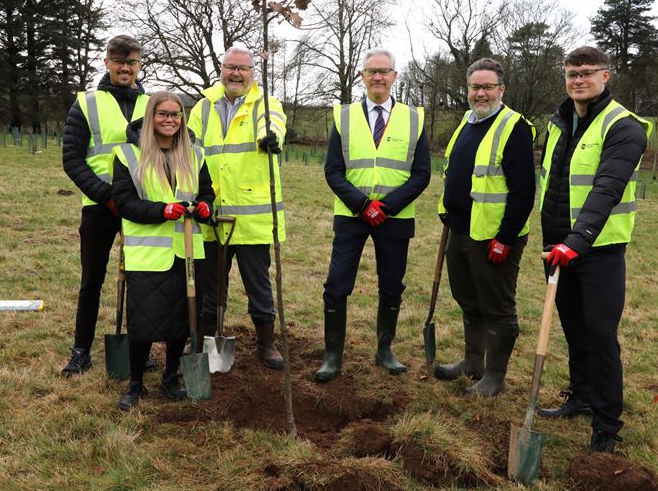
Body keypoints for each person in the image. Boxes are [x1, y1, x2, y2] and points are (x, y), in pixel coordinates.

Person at [538, 46, 650, 452]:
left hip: (598, 250)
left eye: (587, 72)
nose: (578, 80)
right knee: (575, 330)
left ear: (606, 76)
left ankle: (606, 427)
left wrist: (577, 241)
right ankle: (581, 396)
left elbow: (606, 189)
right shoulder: (559, 123)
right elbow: (554, 186)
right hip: (558, 249)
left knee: (601, 335)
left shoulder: (624, 126)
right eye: (571, 73)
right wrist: (555, 243)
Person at [315, 49, 431, 383]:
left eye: (384, 71)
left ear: (395, 76)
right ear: (362, 77)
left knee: (392, 284)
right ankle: (333, 355)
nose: (377, 77)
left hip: (395, 218)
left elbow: (421, 173)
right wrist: (363, 205)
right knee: (337, 284)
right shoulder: (344, 116)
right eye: (371, 71)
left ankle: (385, 350)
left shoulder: (414, 118)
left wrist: (387, 206)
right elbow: (333, 171)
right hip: (353, 215)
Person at [434, 58, 536, 397]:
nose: (480, 93)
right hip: (461, 229)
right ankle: (472, 361)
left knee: (498, 307)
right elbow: (453, 171)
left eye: (487, 87)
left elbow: (523, 192)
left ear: (501, 90)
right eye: (475, 87)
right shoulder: (467, 121)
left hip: (493, 237)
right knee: (468, 299)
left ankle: (494, 376)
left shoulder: (514, 127)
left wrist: (505, 238)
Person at [111, 92, 215, 410]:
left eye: (176, 114)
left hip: (186, 253)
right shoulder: (128, 155)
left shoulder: (194, 154)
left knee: (180, 322)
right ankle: (136, 384)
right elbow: (125, 202)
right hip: (148, 254)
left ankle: (171, 378)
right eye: (163, 114)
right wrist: (162, 210)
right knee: (143, 322)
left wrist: (204, 207)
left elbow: (207, 192)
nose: (170, 119)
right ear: (151, 116)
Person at [187, 45, 287, 370]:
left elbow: (272, 124)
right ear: (222, 68)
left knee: (258, 285)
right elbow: (191, 149)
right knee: (210, 285)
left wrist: (270, 138)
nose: (236, 74)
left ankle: (267, 343)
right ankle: (204, 338)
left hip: (251, 217)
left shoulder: (266, 104)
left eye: (243, 68)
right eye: (231, 67)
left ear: (252, 73)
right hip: (212, 214)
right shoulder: (203, 108)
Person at [61, 35, 155, 376]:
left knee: (143, 280)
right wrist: (107, 196)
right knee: (92, 281)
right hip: (101, 206)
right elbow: (72, 160)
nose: (125, 67)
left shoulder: (154, 103)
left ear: (139, 64)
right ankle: (81, 351)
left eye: (131, 61)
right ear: (107, 63)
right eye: (118, 61)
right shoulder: (85, 104)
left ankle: (141, 348)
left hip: (142, 206)